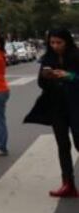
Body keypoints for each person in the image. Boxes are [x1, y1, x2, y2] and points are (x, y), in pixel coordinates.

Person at [26, 29, 79, 197]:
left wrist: (69, 76)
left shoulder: (76, 56)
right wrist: (48, 76)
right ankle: (68, 183)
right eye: (52, 42)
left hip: (76, 105)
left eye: (59, 42)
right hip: (57, 107)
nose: (55, 46)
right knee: (63, 145)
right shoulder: (48, 58)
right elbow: (41, 83)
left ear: (67, 42)